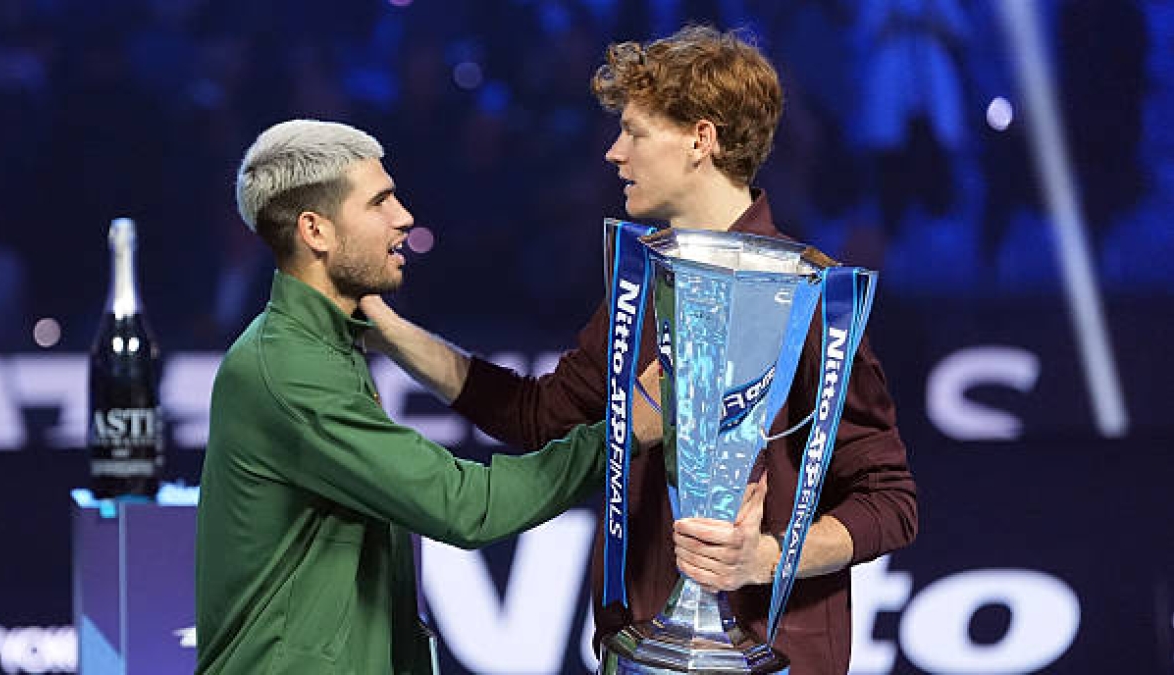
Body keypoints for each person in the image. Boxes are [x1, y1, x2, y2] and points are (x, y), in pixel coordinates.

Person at [362, 25, 918, 674]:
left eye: (634, 131)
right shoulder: (641, 288)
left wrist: (766, 557)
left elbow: (890, 501)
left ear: (700, 140)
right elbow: (537, 416)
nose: (614, 152)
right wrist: (387, 329)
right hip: (640, 653)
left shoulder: (810, 294)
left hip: (774, 659)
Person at [193, 119, 662, 675]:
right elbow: (465, 507)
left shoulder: (323, 344)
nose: (404, 217)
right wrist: (623, 435)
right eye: (379, 202)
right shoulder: (290, 368)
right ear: (315, 231)